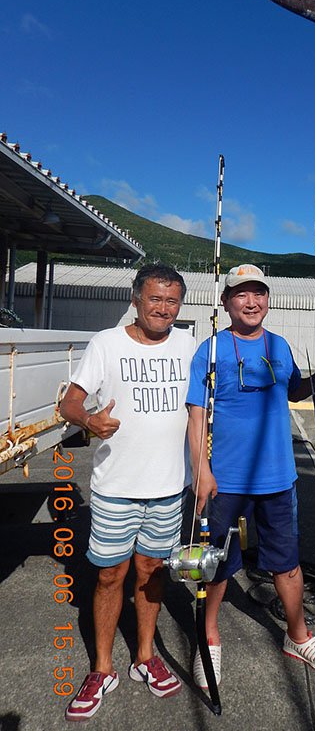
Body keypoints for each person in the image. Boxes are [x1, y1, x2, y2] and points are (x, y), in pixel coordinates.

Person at [186, 264, 315, 689]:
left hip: (278, 478)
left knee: (287, 564)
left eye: (259, 293)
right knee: (215, 564)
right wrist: (201, 470)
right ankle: (209, 638)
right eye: (241, 294)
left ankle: (297, 636)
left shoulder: (280, 345)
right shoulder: (211, 350)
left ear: (267, 300)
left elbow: (294, 389)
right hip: (225, 481)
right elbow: (196, 417)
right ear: (227, 303)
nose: (251, 302)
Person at [60, 263, 196, 721]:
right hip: (116, 487)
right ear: (136, 299)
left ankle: (145, 657)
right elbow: (70, 401)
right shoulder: (106, 343)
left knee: (151, 571)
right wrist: (88, 421)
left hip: (168, 486)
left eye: (172, 300)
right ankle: (102, 667)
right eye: (155, 299)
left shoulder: (188, 345)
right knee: (109, 576)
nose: (163, 308)